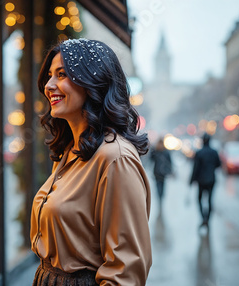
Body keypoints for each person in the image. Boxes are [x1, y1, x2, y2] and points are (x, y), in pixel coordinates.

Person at [30, 38, 152, 286]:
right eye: (50, 76)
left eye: (62, 74)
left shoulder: (115, 157)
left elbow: (125, 272)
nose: (49, 85)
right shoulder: (70, 151)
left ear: (93, 82)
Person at [189, 133, 221, 228]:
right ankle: (207, 219)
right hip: (211, 179)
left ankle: (203, 218)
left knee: (199, 199)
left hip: (201, 180)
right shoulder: (214, 152)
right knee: (210, 200)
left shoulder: (199, 153)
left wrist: (191, 180)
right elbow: (218, 164)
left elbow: (195, 168)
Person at [150, 137, 173, 211]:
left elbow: (151, 159)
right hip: (160, 173)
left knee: (160, 187)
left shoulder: (160, 151)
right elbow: (151, 158)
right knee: (160, 187)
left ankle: (160, 199)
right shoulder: (161, 152)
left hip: (159, 173)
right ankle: (160, 198)